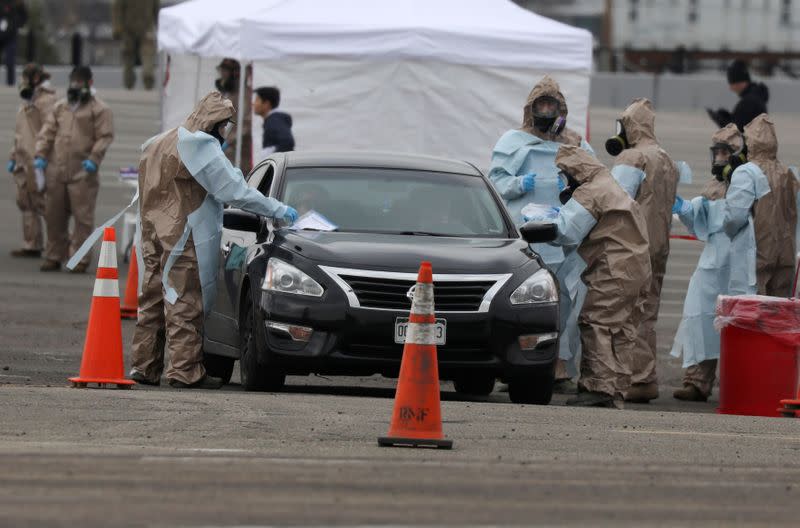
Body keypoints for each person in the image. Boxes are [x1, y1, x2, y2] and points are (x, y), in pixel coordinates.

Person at [129, 91, 298, 389]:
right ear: (214, 123)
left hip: (152, 232)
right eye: (224, 126)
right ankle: (184, 371)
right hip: (182, 234)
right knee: (184, 302)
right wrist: (278, 209)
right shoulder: (199, 146)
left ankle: (145, 366)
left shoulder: (160, 141)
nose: (225, 134)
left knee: (153, 298)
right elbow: (234, 192)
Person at [488, 75, 594, 393]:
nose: (547, 111)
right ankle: (518, 362)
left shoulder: (574, 143)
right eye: (542, 105)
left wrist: (573, 188)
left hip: (564, 236)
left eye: (552, 105)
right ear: (531, 108)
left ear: (561, 109)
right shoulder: (513, 141)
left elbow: (594, 179)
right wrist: (520, 184)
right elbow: (496, 179)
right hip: (527, 236)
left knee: (564, 300)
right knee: (523, 301)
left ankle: (560, 362)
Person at [531, 145, 651, 408]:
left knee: (596, 321)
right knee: (621, 329)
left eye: (566, 176)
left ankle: (597, 388)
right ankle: (616, 388)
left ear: (576, 173)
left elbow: (566, 231)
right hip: (637, 270)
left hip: (615, 269)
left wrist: (533, 226)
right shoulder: (612, 186)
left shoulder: (592, 191)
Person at [671, 124, 770, 401]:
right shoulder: (714, 186)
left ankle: (740, 383)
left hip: (741, 263)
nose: (720, 159)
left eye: (726, 152)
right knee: (699, 316)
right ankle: (697, 381)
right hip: (712, 262)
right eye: (717, 152)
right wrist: (686, 209)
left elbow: (735, 219)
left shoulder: (750, 180)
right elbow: (702, 222)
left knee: (740, 321)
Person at [605, 98, 679, 403]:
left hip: (633, 244)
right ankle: (644, 376)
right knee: (648, 312)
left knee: (624, 312)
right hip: (659, 245)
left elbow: (614, 200)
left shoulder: (632, 158)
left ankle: (630, 377)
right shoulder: (666, 158)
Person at [35, 66, 114, 274]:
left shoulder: (99, 109)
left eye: (81, 83)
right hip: (56, 170)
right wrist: (41, 155)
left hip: (83, 173)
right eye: (74, 83)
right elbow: (47, 132)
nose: (76, 88)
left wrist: (94, 158)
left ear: (89, 83)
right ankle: (53, 255)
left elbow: (105, 136)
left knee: (82, 218)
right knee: (54, 215)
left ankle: (79, 258)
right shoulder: (61, 107)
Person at [744, 114, 798, 297]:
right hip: (786, 248)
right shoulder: (786, 173)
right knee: (780, 306)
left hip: (759, 247)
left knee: (756, 304)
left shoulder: (749, 171)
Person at [8, 63, 56, 258]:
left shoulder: (47, 101)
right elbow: (20, 133)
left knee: (43, 203)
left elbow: (50, 130)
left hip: (37, 159)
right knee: (25, 202)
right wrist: (13, 156)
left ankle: (59, 244)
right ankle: (32, 243)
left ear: (36, 79)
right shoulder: (26, 102)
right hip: (22, 158)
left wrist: (42, 156)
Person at [706, 59, 768, 131]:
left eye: (732, 83)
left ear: (739, 82)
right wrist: (728, 117)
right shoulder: (755, 97)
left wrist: (721, 120)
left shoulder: (749, 101)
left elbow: (736, 132)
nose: (731, 88)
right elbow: (742, 123)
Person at [215, 58, 253, 174]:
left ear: (235, 73)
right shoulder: (228, 93)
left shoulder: (244, 94)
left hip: (239, 150)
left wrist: (228, 141)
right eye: (221, 71)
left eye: (225, 71)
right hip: (226, 150)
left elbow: (247, 122)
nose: (222, 75)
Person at [112, 0, 159, 90]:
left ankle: (137, 82)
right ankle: (134, 82)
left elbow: (117, 10)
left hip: (140, 29)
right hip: (131, 31)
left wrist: (117, 28)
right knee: (136, 56)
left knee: (140, 56)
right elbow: (117, 10)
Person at [253, 86, 295, 163]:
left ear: (266, 104)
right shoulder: (272, 120)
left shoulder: (274, 120)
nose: (253, 103)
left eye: (257, 100)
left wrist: (274, 160)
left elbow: (287, 142)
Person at [0, 0, 26, 86]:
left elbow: (24, 16)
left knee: (10, 61)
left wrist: (16, 24)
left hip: (11, 36)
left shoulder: (17, 3)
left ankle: (10, 84)